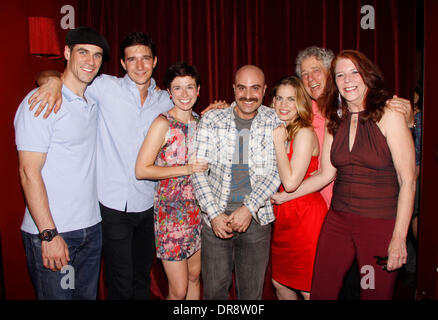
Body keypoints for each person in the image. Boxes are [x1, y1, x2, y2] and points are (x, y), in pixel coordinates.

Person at [28, 32, 173, 300]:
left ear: (155, 61)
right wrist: (50, 83)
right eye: (132, 59)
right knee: (118, 280)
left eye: (145, 59)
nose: (139, 66)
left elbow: (191, 113)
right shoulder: (104, 87)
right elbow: (58, 76)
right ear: (122, 63)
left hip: (149, 203)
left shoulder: (167, 100)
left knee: (142, 276)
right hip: (111, 204)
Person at [283, 49, 416, 300]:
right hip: (338, 221)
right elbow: (325, 175)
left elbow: (408, 181)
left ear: (367, 75)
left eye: (354, 72)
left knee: (372, 293)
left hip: (378, 224)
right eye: (341, 75)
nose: (348, 80)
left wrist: (399, 237)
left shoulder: (390, 116)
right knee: (321, 292)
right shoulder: (336, 118)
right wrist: (280, 197)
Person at [14, 27, 109, 299]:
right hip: (56, 234)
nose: (91, 61)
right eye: (83, 52)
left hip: (91, 229)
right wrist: (48, 235)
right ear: (66, 53)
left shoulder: (91, 103)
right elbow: (27, 172)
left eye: (97, 55)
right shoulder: (42, 103)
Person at [192, 65, 282, 300]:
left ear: (265, 90)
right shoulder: (213, 118)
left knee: (251, 295)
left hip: (257, 220)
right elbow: (198, 171)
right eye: (242, 88)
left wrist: (249, 208)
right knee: (213, 293)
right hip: (216, 221)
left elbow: (277, 171)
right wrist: (213, 215)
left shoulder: (275, 120)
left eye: (255, 88)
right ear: (233, 89)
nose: (248, 95)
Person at [135, 62, 207, 299]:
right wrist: (187, 168)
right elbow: (142, 170)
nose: (184, 94)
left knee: (195, 277)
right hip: (171, 216)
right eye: (178, 88)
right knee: (178, 289)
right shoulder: (162, 123)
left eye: (189, 87)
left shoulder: (201, 123)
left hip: (198, 213)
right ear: (169, 92)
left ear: (198, 90)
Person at [270, 76, 328, 300]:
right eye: (279, 98)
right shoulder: (281, 129)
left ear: (301, 103)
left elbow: (291, 183)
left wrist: (277, 143)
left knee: (308, 286)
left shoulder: (304, 132)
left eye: (291, 99)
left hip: (306, 216)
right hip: (285, 215)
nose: (284, 105)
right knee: (280, 283)